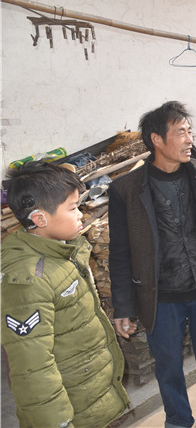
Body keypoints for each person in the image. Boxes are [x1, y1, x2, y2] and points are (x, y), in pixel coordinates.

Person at [108, 101, 196, 428]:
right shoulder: (126, 190)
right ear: (157, 140)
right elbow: (120, 253)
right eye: (181, 132)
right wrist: (123, 306)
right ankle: (178, 420)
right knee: (168, 365)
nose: (190, 139)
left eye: (190, 131)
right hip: (161, 297)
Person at [2, 161, 130, 428]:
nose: (81, 215)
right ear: (40, 219)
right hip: (71, 409)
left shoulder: (63, 252)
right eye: (72, 208)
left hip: (90, 395)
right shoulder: (28, 280)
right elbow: (33, 370)